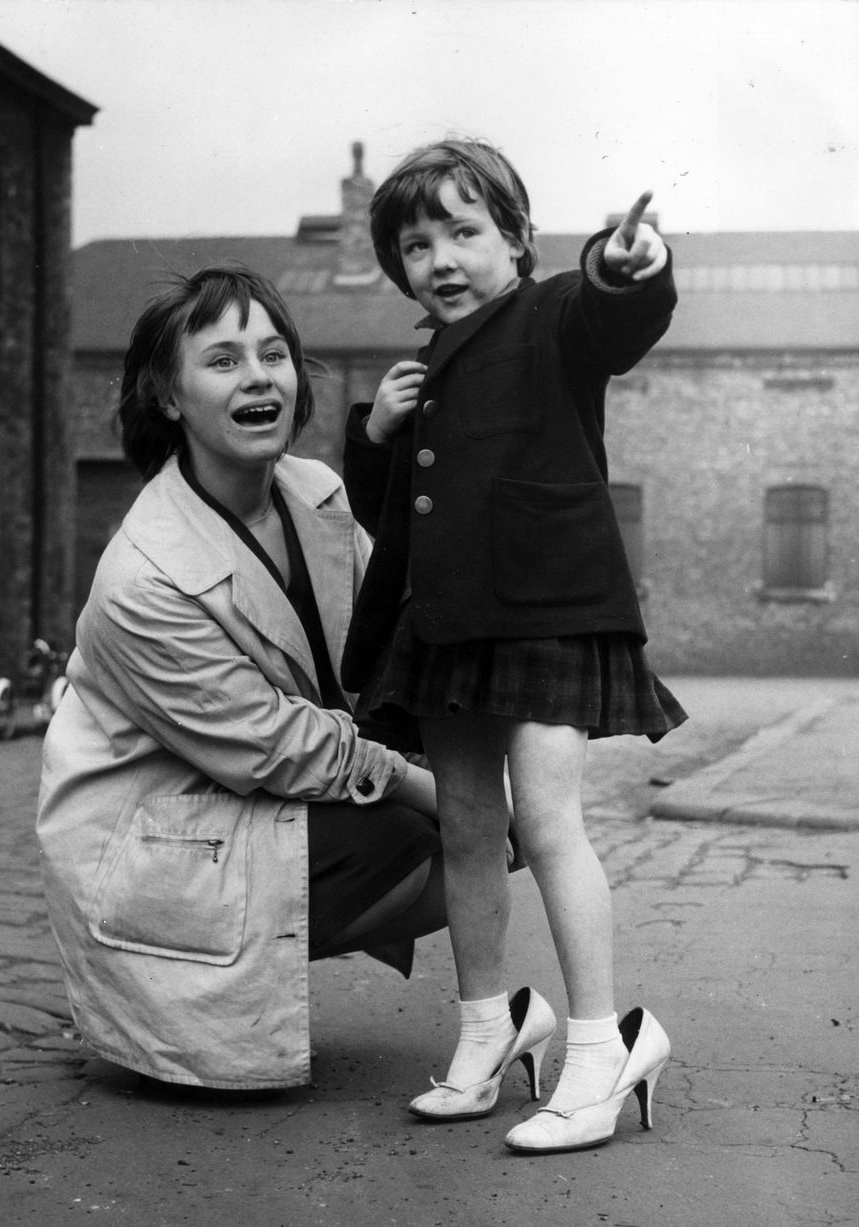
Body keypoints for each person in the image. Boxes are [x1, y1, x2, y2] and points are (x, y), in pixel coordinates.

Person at [340, 138, 686, 1153]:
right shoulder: (420, 370)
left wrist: (626, 268)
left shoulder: (553, 316)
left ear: (519, 239)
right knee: (464, 828)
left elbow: (612, 318)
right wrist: (376, 436)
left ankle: (600, 1048)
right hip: (448, 624)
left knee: (545, 819)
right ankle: (490, 1029)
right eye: (416, 246)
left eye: (463, 232)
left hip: (545, 611)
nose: (440, 259)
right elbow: (397, 513)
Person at [37, 263, 453, 1091]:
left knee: (481, 803)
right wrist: (436, 789)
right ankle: (187, 991)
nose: (258, 376)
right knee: (423, 831)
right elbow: (274, 743)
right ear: (168, 396)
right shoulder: (144, 576)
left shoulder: (314, 491)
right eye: (223, 360)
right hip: (153, 840)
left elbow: (383, 644)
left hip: (241, 797)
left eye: (272, 353)